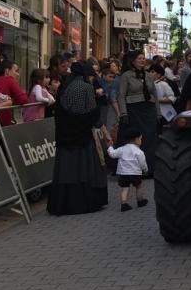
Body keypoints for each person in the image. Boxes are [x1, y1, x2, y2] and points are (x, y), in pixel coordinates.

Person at [47, 61, 108, 215]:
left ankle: (64, 203)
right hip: (82, 136)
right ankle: (84, 202)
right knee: (84, 168)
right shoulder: (86, 87)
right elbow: (91, 112)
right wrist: (103, 131)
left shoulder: (64, 86)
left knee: (66, 169)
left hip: (65, 135)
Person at [117, 51, 157, 174]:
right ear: (133, 61)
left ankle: (148, 168)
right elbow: (121, 95)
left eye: (143, 58)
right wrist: (123, 113)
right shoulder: (126, 76)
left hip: (148, 109)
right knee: (134, 139)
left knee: (149, 138)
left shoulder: (148, 75)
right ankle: (131, 169)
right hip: (134, 109)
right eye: (140, 58)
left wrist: (158, 113)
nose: (142, 60)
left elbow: (154, 94)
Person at [108, 128, 149, 211]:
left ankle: (124, 204)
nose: (141, 140)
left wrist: (110, 147)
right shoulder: (139, 152)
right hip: (135, 173)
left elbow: (112, 154)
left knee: (125, 188)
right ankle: (140, 201)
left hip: (123, 173)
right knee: (138, 186)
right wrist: (145, 170)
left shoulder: (122, 149)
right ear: (136, 139)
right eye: (140, 138)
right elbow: (142, 163)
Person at [0, 58, 31, 126]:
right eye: (16, 71)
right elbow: (24, 100)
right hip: (4, 122)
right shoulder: (9, 80)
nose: (18, 74)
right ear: (7, 71)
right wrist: (12, 101)